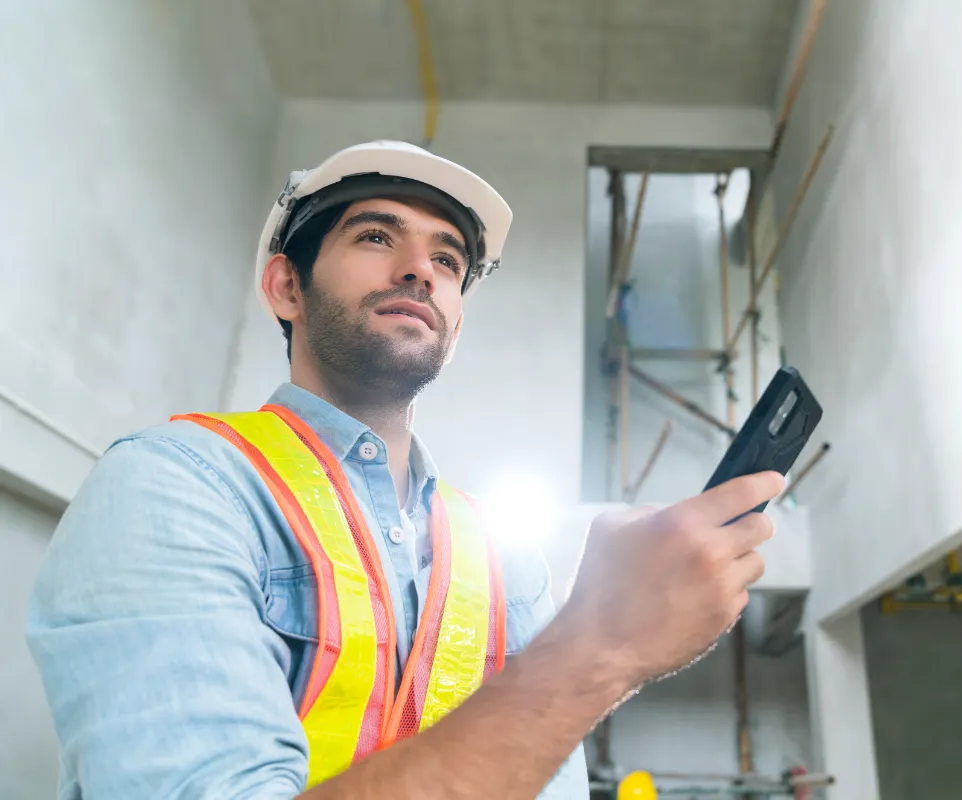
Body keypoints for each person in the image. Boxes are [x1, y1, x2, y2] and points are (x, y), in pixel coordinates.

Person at [26, 141, 783, 799]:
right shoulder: (177, 485)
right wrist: (602, 646)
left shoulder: (504, 557)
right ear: (286, 286)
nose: (420, 269)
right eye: (376, 236)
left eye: (449, 259)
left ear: (454, 328)